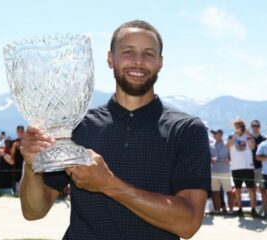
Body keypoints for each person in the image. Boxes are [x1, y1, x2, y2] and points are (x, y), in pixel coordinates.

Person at [19, 20, 211, 239]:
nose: (138, 61)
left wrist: (109, 184)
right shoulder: (77, 126)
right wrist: (31, 166)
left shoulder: (186, 130)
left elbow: (189, 224)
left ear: (160, 62)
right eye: (128, 52)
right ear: (111, 59)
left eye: (148, 54)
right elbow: (33, 212)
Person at [227, 118, 257, 216]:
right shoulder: (232, 135)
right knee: (238, 189)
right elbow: (227, 146)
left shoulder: (248, 135)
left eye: (240, 125)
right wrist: (235, 136)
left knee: (251, 188)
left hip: (248, 166)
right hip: (236, 166)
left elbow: (253, 147)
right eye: (236, 125)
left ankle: (253, 209)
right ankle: (240, 209)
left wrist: (248, 136)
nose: (238, 126)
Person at [209, 128, 234, 213]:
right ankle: (217, 210)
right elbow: (208, 157)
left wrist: (228, 159)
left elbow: (231, 157)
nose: (214, 135)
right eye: (213, 133)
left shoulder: (227, 144)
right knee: (215, 192)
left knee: (229, 191)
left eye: (215, 133)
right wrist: (211, 159)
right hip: (214, 171)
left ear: (220, 134)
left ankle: (231, 210)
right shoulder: (210, 145)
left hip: (225, 171)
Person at [250, 119, 267, 216]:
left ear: (259, 127)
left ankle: (265, 211)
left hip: (261, 168)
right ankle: (254, 210)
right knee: (252, 190)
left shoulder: (264, 139)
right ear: (251, 127)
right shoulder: (248, 139)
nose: (255, 127)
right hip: (250, 167)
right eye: (254, 126)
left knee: (263, 190)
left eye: (257, 126)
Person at [10, 125, 25, 196]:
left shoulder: (27, 141)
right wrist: (14, 146)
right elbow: (11, 155)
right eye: (19, 132)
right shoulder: (14, 142)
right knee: (17, 179)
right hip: (17, 165)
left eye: (22, 131)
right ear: (17, 132)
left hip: (26, 163)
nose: (20, 133)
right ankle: (17, 193)